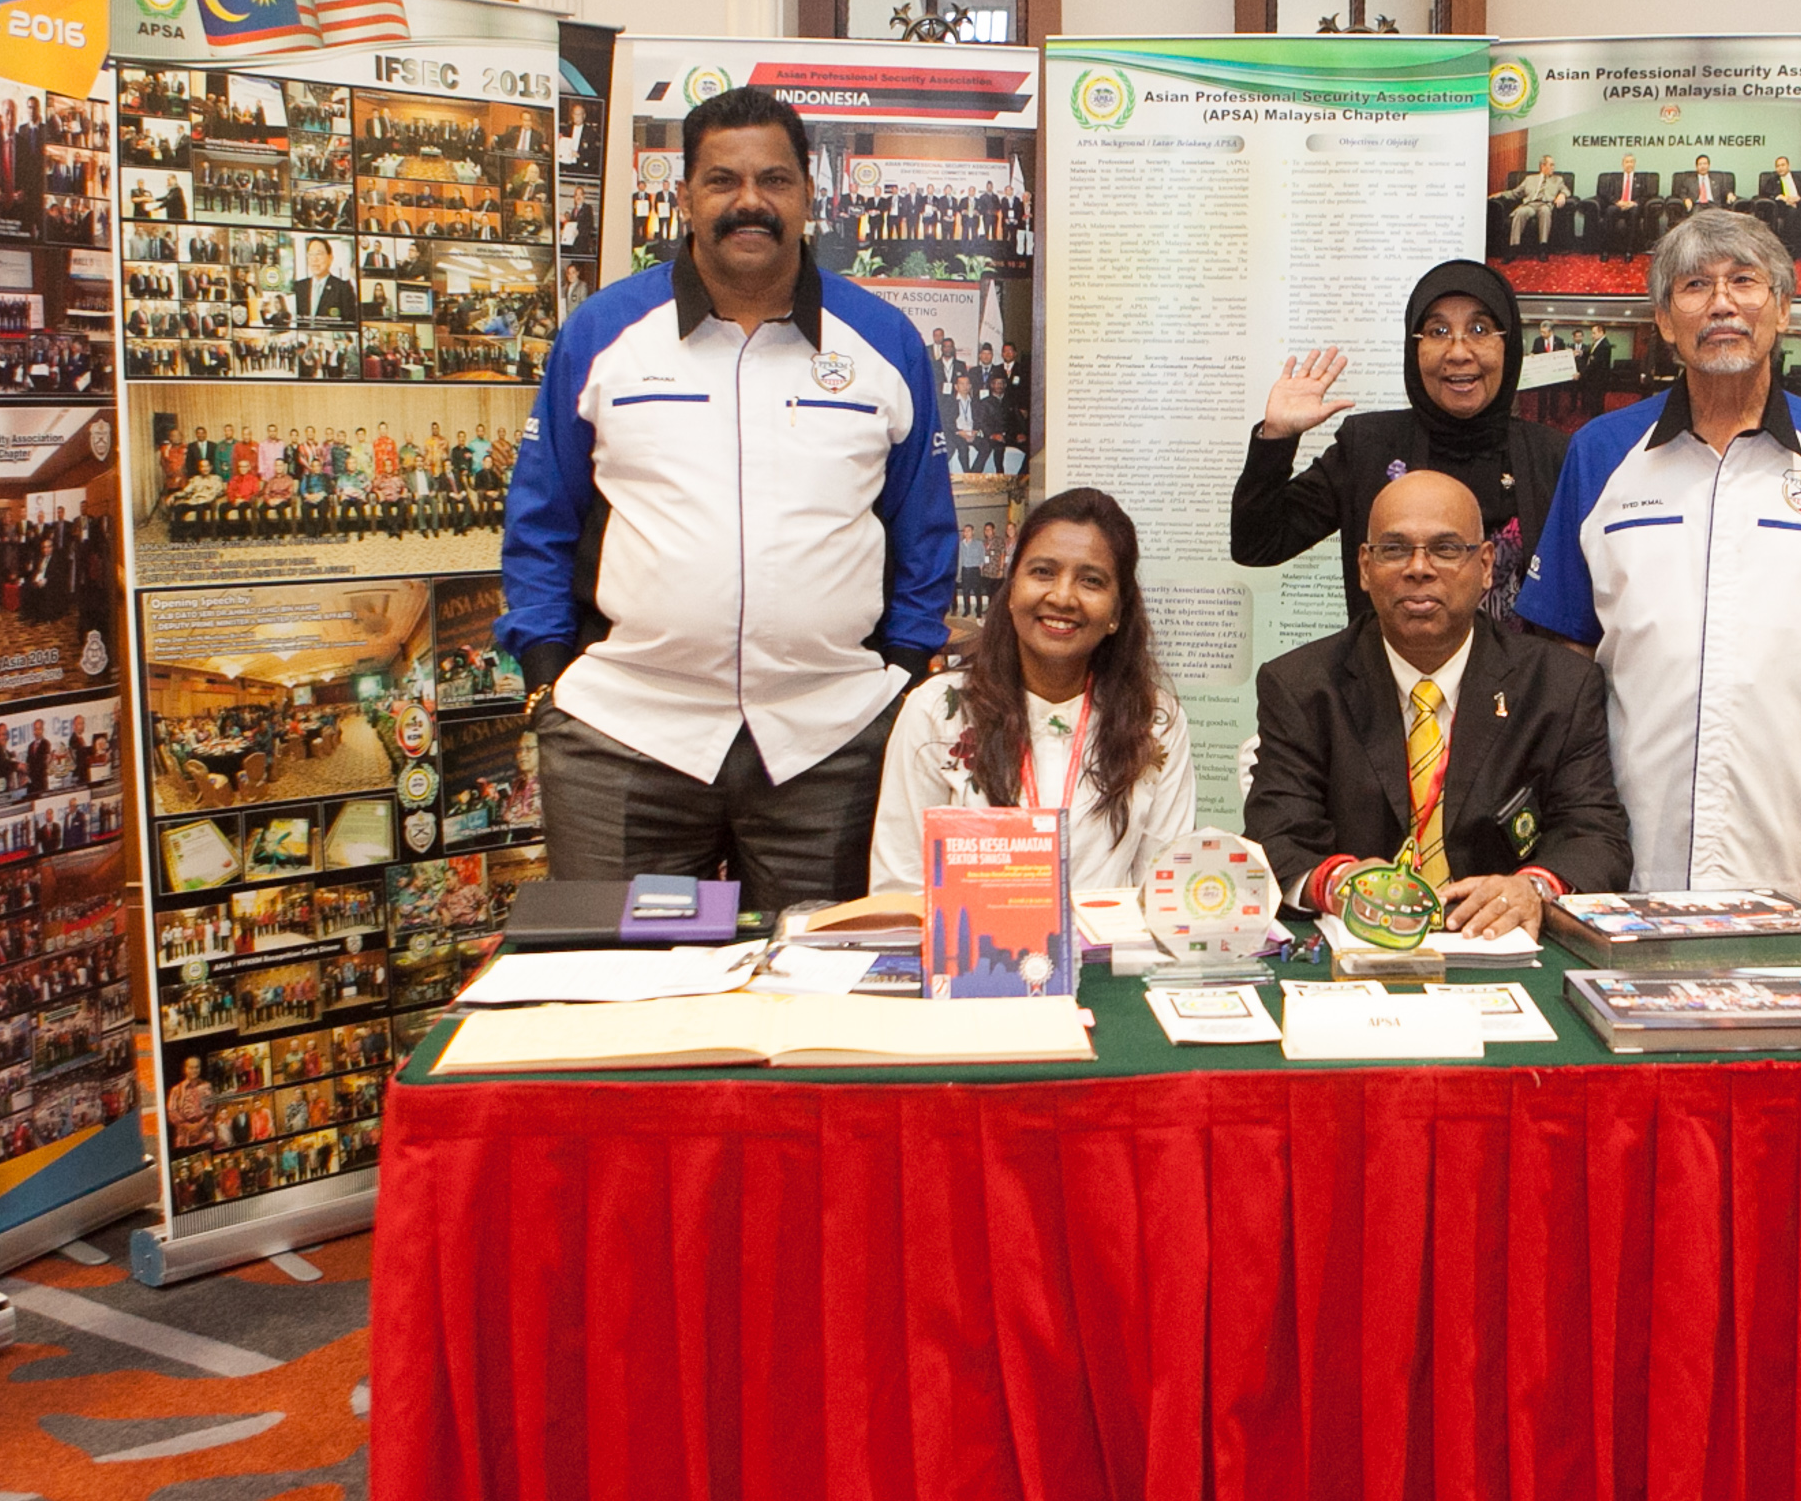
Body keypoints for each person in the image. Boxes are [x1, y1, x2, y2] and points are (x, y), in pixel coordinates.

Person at [501, 87, 955, 913]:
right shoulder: (604, 332)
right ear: (683, 196)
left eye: (774, 179)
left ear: (809, 194)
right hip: (624, 734)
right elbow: (540, 517)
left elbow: (924, 529)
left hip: (830, 744)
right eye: (723, 180)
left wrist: (900, 670)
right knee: (624, 985)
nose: (751, 201)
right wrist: (545, 674)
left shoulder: (884, 342)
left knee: (823, 976)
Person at [1520, 208, 1801, 897]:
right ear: (1665, 320)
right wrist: (1565, 819)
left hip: (1800, 850)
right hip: (1626, 844)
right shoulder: (1600, 454)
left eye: (1744, 281)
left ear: (1781, 309)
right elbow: (1566, 651)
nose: (1722, 303)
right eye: (1695, 285)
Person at [1245, 468, 1632, 933]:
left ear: (1486, 565)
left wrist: (1531, 889)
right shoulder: (1301, 686)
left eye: (1446, 549)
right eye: (1394, 549)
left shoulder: (1558, 685)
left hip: (1499, 944)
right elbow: (1276, 837)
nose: (1418, 568)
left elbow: (1595, 836)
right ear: (1365, 567)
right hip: (1355, 944)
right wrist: (1340, 883)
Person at [867, 488, 1195, 892]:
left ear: (1117, 612)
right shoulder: (937, 711)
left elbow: (1164, 893)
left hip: (1107, 936)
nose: (1062, 596)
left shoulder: (1155, 721)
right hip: (969, 935)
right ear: (1010, 589)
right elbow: (899, 889)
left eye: (1091, 581)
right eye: (1042, 572)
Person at [1233, 260, 1565, 626]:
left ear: (1509, 345)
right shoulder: (1368, 445)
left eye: (1479, 329)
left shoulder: (1554, 456)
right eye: (1438, 331)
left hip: (1524, 665)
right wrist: (1278, 436)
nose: (1458, 352)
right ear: (1414, 347)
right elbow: (1258, 544)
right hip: (1391, 664)